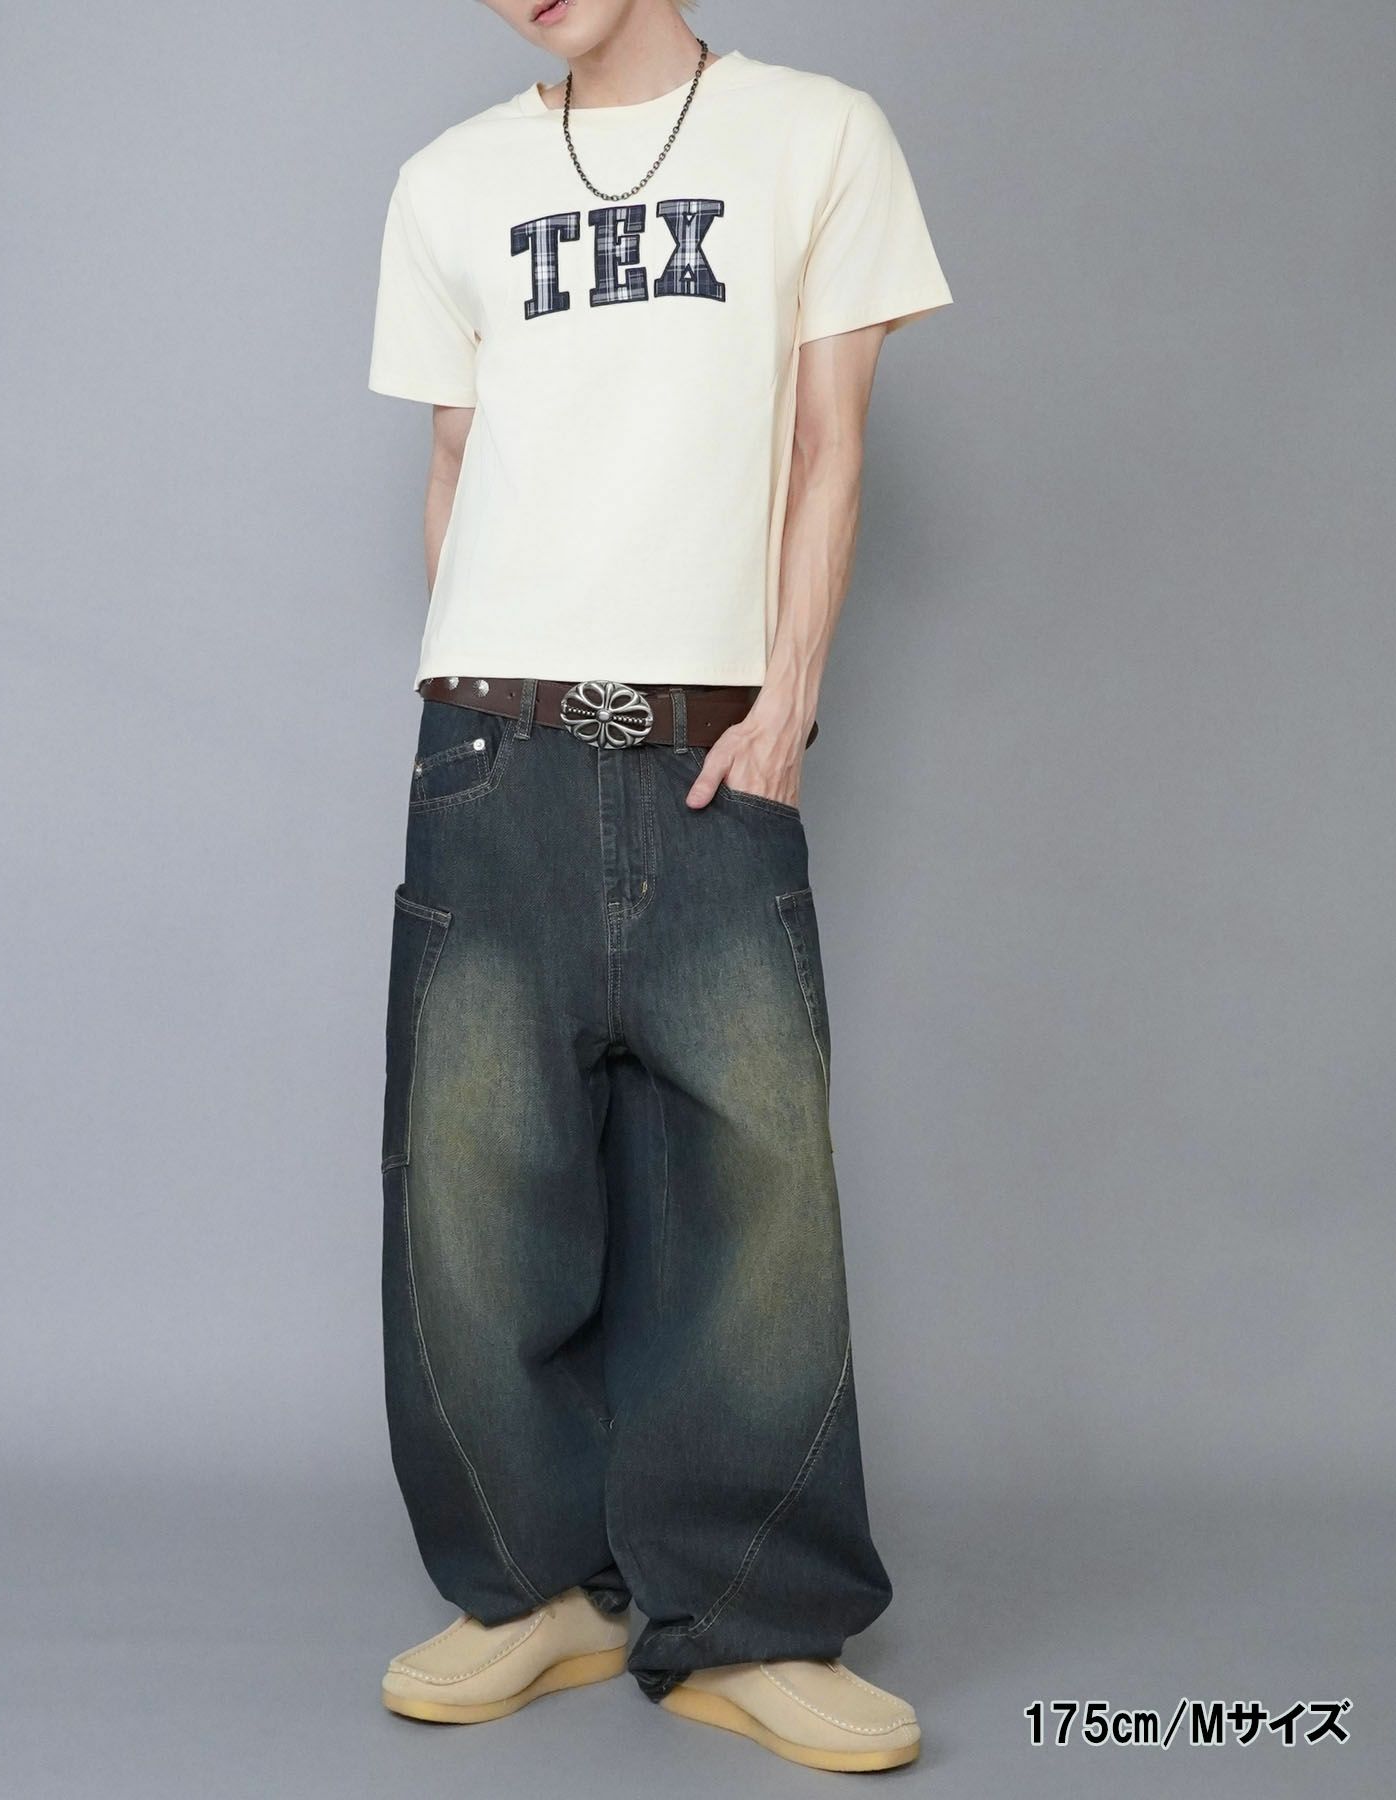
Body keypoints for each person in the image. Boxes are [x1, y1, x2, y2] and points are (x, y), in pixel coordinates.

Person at [366, 0, 951, 1772]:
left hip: (715, 745)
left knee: (757, 1191)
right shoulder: (449, 178)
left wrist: (789, 700)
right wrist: (473, 699)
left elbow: (831, 443)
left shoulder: (818, 134)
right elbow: (455, 463)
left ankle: (751, 1619)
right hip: (496, 743)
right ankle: (533, 1593)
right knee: (471, 1186)